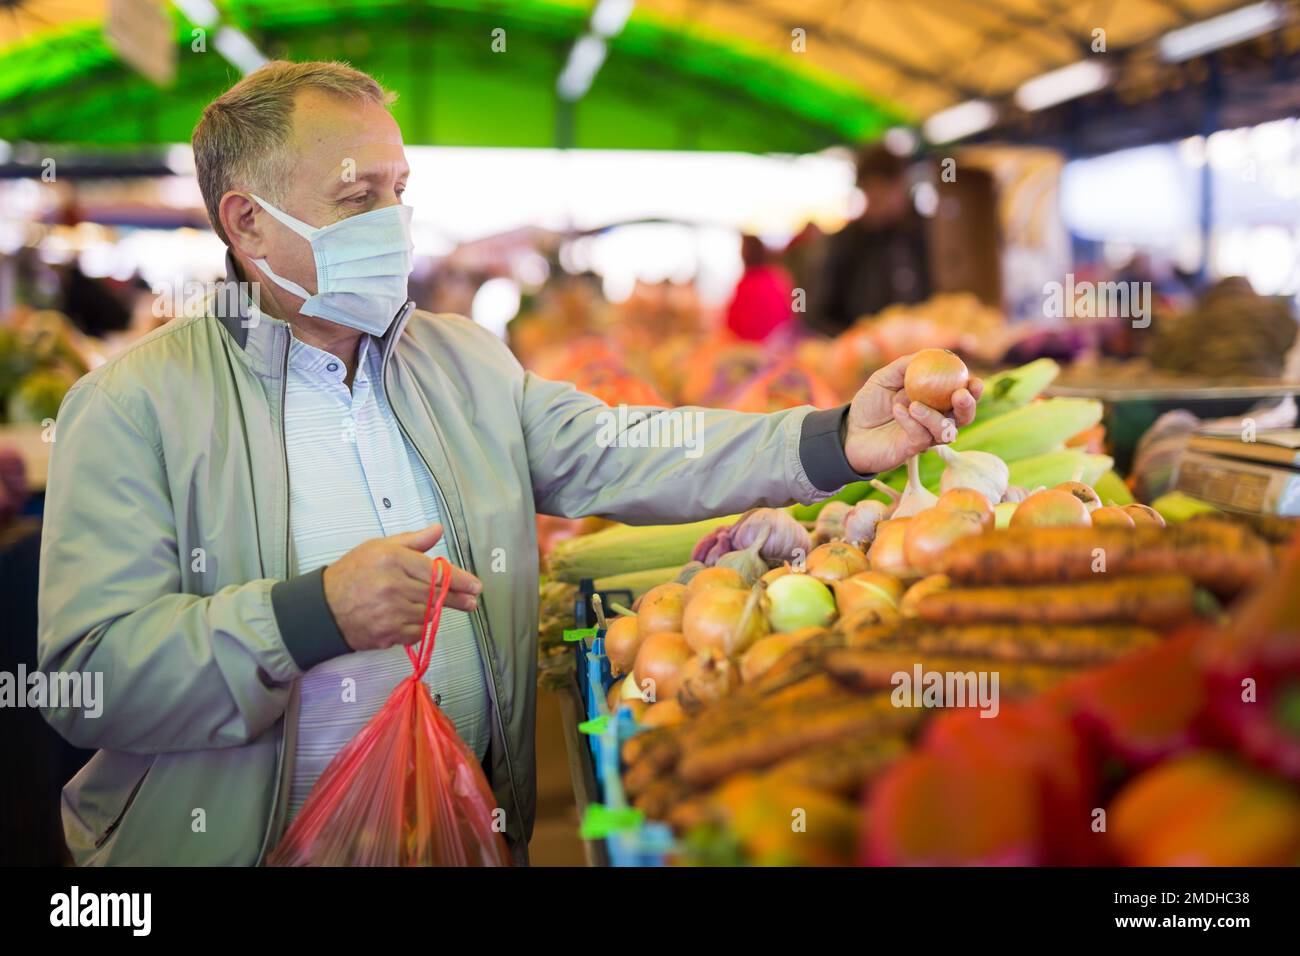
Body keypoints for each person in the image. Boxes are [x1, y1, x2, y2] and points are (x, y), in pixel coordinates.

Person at [37, 61, 981, 866]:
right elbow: (92, 676)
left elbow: (623, 447)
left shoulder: (464, 361)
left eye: (399, 194)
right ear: (248, 225)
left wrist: (828, 441)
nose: (393, 225)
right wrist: (309, 616)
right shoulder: (133, 409)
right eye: (358, 199)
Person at [810, 145, 932, 335]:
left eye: (882, 190)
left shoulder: (925, 234)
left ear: (900, 186)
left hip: (923, 346)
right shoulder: (847, 241)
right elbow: (821, 310)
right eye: (869, 190)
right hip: (861, 352)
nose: (875, 200)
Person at [723, 235, 794, 342]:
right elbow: (790, 315)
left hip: (751, 350)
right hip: (778, 347)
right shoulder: (778, 278)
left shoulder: (745, 284)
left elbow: (732, 323)